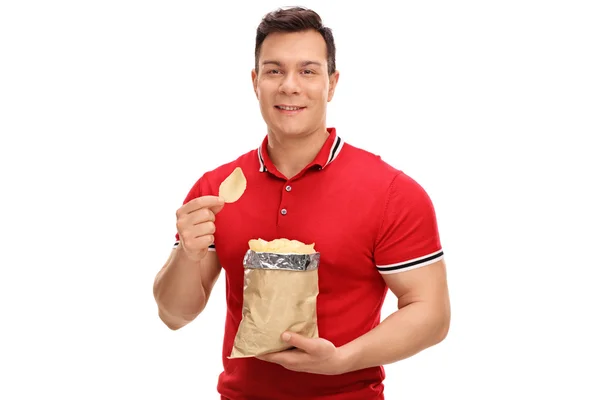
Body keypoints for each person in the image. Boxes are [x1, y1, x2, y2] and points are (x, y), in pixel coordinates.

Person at [153, 6, 450, 400]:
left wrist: (342, 359)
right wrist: (187, 255)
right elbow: (175, 315)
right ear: (255, 81)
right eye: (274, 70)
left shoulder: (392, 191)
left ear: (332, 84)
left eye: (308, 71)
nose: (289, 85)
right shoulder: (216, 188)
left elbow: (431, 314)